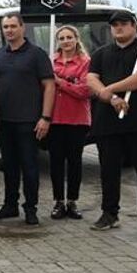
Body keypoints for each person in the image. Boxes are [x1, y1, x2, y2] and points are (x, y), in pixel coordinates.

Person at [86, 10, 137, 237]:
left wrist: (111, 88)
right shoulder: (101, 53)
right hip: (108, 123)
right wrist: (110, 97)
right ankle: (109, 213)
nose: (118, 28)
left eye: (123, 24)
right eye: (114, 25)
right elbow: (91, 79)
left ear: (133, 25)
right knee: (108, 171)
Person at [0, 13, 56, 225]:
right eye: (5, 27)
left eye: (13, 26)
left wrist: (45, 117)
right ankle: (10, 205)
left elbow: (49, 86)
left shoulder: (37, 55)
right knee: (9, 166)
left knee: (30, 167)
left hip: (29, 121)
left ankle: (31, 208)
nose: (9, 30)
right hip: (3, 120)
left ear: (22, 28)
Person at [49, 25, 91, 221]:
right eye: (62, 38)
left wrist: (60, 82)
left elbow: (84, 91)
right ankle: (58, 201)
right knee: (56, 162)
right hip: (55, 118)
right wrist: (69, 83)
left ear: (76, 39)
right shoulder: (52, 62)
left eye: (69, 37)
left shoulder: (85, 62)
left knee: (74, 162)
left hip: (77, 119)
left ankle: (72, 201)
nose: (66, 41)